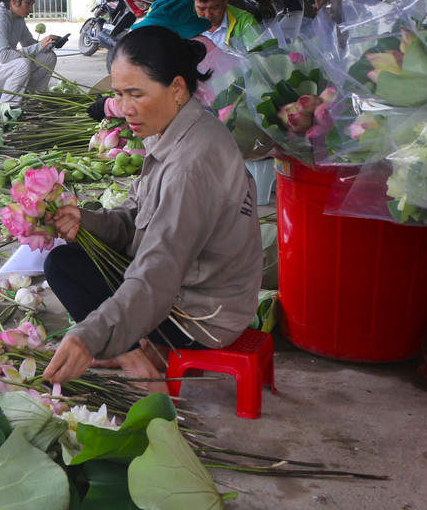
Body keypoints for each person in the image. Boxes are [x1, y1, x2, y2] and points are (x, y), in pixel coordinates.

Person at [43, 25, 263, 390]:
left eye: (136, 94)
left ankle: (137, 363)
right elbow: (137, 216)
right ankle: (138, 347)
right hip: (194, 287)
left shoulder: (190, 166)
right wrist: (88, 222)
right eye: (118, 95)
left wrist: (90, 335)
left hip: (201, 316)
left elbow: (157, 276)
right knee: (71, 255)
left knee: (64, 268)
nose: (125, 109)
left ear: (177, 88)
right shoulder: (176, 128)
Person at [85, 0, 240, 120]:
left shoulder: (179, 55)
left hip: (210, 125)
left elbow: (154, 102)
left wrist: (108, 106)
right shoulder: (205, 44)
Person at [190, 0, 262, 49]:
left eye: (214, 8)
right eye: (201, 9)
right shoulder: (188, 22)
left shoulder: (245, 22)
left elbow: (260, 57)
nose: (208, 15)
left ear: (225, 0)